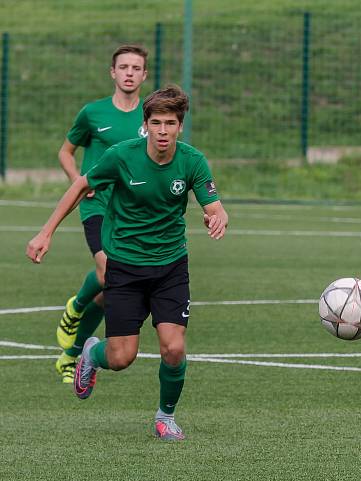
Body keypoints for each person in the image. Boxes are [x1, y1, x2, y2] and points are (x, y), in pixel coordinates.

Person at [27, 85, 229, 441]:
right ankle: (92, 353)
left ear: (180, 127)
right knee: (121, 357)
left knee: (174, 347)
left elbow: (214, 205)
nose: (163, 131)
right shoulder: (122, 156)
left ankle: (165, 416)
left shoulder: (193, 160)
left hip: (170, 268)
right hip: (125, 268)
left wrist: (217, 216)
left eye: (170, 123)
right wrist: (46, 232)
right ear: (145, 125)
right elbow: (79, 187)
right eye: (156, 123)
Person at [54, 44, 150, 384]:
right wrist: (78, 182)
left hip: (129, 213)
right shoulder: (92, 113)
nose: (128, 72)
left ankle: (72, 354)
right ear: (113, 72)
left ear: (144, 74)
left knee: (113, 291)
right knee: (108, 272)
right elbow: (66, 152)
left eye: (135, 68)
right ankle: (77, 307)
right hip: (96, 205)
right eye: (123, 67)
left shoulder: (150, 117)